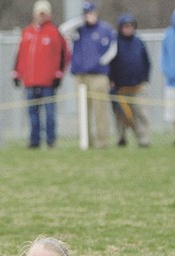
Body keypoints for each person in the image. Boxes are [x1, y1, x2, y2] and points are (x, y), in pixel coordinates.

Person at [13, 1, 70, 149]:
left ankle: (51, 140)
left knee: (49, 112)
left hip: (48, 81)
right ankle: (34, 140)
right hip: (30, 81)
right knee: (32, 113)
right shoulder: (27, 32)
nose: (41, 16)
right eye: (39, 13)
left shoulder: (54, 32)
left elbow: (63, 54)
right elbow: (20, 54)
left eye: (44, 13)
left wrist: (58, 75)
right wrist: (17, 73)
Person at [60, 1, 116, 148]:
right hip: (81, 76)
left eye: (92, 13)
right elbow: (63, 30)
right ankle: (86, 142)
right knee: (83, 111)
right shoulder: (79, 29)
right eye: (87, 13)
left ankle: (102, 141)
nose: (90, 16)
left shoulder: (105, 29)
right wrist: (80, 20)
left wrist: (101, 62)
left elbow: (113, 48)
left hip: (98, 75)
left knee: (100, 110)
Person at [109, 14, 151, 148]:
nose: (128, 28)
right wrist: (111, 80)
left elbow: (146, 62)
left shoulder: (139, 42)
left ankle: (143, 140)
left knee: (141, 113)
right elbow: (109, 62)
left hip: (138, 86)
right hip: (121, 87)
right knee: (121, 115)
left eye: (130, 26)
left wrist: (144, 79)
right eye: (125, 26)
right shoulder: (115, 42)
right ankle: (121, 138)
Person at [160, 10, 175, 141]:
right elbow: (163, 57)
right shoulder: (168, 34)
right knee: (172, 113)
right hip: (172, 82)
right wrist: (169, 72)